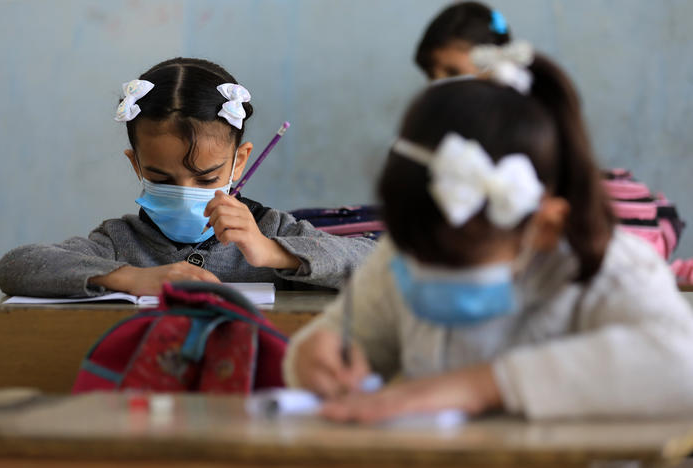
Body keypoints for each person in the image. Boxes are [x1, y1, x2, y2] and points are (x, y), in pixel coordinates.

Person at [283, 45, 693, 422]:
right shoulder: (406, 252)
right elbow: (337, 341)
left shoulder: (607, 267)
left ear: (544, 227)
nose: (423, 272)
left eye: (455, 262)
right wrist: (310, 358)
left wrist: (481, 386)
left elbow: (680, 362)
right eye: (411, 253)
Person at [0, 58, 375, 297]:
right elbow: (16, 266)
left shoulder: (272, 230)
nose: (184, 193)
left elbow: (383, 267)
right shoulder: (119, 242)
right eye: (162, 177)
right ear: (137, 165)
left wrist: (273, 252)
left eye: (206, 178)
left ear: (239, 162)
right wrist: (130, 278)